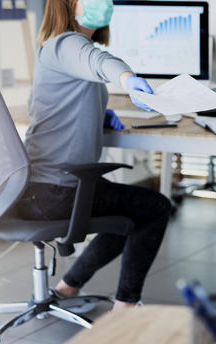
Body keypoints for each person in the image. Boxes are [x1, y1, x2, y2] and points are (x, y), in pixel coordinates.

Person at [17, 0, 171, 312]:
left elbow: (45, 108)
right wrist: (129, 80)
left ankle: (67, 287)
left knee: (127, 216)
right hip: (59, 190)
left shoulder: (52, 49)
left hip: (40, 189)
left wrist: (98, 114)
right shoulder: (67, 43)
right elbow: (99, 60)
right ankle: (125, 308)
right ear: (66, 5)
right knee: (155, 207)